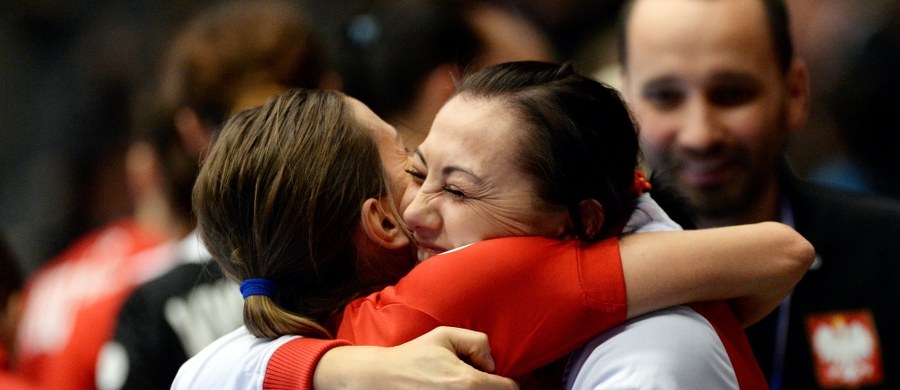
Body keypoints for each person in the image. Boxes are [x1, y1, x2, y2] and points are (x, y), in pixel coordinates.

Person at [175, 86, 811, 388]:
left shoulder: (284, 319)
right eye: (414, 167)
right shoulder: (471, 282)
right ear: (385, 223)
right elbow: (782, 253)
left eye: (455, 184)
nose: (427, 196)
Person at [616, 0, 900, 388]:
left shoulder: (887, 252)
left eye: (732, 94)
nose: (700, 135)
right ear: (626, 107)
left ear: (795, 94)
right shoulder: (582, 276)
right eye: (665, 97)